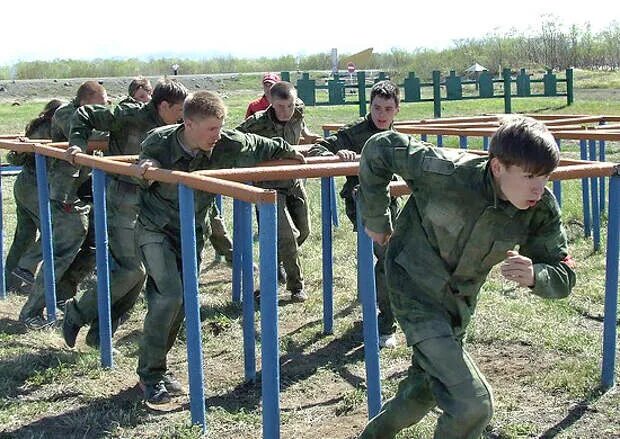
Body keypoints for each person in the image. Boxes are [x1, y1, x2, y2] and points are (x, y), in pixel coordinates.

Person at [356, 116, 576, 438]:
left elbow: (563, 273)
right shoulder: (447, 171)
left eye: (544, 177)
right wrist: (376, 216)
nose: (538, 188)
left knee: (426, 390)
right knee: (473, 404)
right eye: (529, 176)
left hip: (456, 307)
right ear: (498, 166)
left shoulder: (539, 208)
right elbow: (381, 146)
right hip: (412, 289)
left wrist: (535, 275)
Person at [134, 90, 305, 404]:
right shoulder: (160, 140)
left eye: (220, 126)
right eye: (211, 128)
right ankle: (150, 376)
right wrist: (147, 165)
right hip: (154, 228)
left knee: (183, 301)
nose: (217, 135)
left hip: (191, 229)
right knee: (169, 296)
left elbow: (263, 144)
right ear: (188, 124)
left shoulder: (228, 142)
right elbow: (145, 159)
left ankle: (156, 369)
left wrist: (292, 152)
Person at [61, 78, 188, 348]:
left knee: (139, 273)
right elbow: (84, 113)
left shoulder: (175, 128)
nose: (183, 117)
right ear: (164, 106)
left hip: (149, 203)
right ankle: (78, 311)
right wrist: (77, 144)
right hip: (121, 199)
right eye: (179, 111)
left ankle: (101, 332)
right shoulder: (130, 114)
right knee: (130, 270)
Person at [309, 80, 401, 347]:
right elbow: (319, 148)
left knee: (399, 258)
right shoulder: (356, 131)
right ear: (369, 106)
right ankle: (385, 324)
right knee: (387, 257)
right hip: (363, 202)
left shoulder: (396, 135)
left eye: (387, 109)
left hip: (392, 201)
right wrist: (339, 153)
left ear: (396, 110)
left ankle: (389, 307)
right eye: (376, 108)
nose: (381, 114)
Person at [18, 81, 108, 329]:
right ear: (86, 101)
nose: (106, 108)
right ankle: (32, 312)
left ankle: (60, 296)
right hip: (64, 194)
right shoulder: (66, 113)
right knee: (60, 253)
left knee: (94, 245)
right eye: (102, 103)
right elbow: (87, 136)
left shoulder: (88, 114)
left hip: (81, 190)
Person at [237, 81, 319, 302]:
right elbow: (234, 140)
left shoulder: (298, 111)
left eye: (290, 106)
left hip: (293, 182)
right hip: (269, 187)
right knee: (287, 237)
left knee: (304, 231)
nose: (286, 111)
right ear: (271, 103)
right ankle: (296, 287)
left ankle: (276, 266)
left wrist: (313, 140)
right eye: (280, 106)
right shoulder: (256, 124)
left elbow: (303, 129)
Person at [5, 99, 63, 293]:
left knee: (23, 237)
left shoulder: (49, 127)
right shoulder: (47, 129)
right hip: (34, 188)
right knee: (55, 231)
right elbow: (14, 157)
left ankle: (9, 281)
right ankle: (25, 267)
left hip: (28, 187)